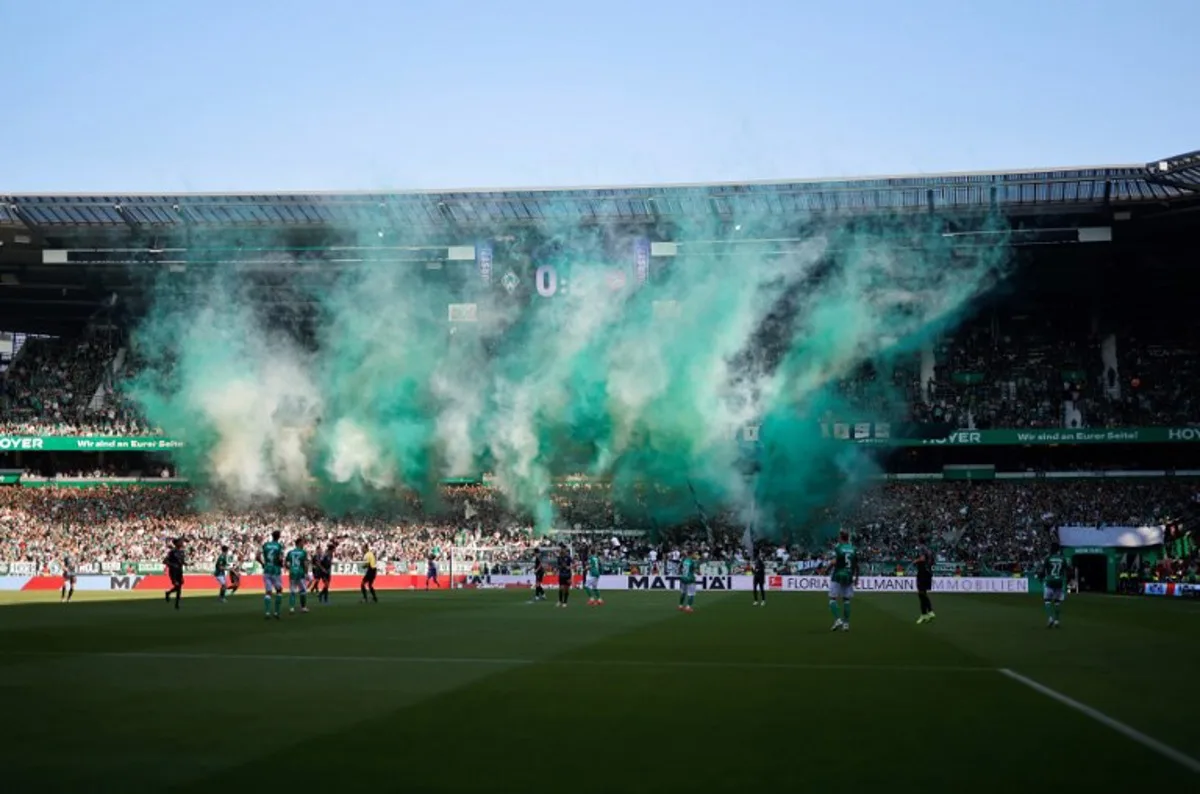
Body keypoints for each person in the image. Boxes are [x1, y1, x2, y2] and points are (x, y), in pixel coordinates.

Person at [828, 530, 857, 632]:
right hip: (849, 575)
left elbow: (835, 561)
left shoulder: (838, 548)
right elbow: (856, 564)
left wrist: (827, 568)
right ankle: (846, 624)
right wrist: (856, 578)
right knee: (846, 600)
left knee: (832, 598)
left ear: (840, 538)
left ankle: (838, 619)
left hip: (838, 575)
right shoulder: (853, 549)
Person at [258, 530, 285, 620]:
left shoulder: (265, 545)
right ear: (279, 537)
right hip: (275, 570)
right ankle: (276, 612)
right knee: (279, 590)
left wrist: (262, 564)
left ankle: (267, 612)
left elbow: (257, 556)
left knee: (268, 592)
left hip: (267, 569)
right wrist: (281, 564)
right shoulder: (279, 546)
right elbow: (280, 559)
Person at [1041, 542, 1069, 628]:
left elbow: (1043, 570)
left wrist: (1040, 577)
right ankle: (1057, 620)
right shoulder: (1062, 558)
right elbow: (1067, 569)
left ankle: (1050, 618)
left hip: (1050, 580)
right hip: (1059, 581)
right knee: (1057, 602)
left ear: (1051, 549)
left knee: (1047, 600)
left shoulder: (1048, 558)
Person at [914, 536, 936, 624]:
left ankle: (930, 611)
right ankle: (924, 614)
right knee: (922, 594)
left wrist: (916, 560)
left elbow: (922, 558)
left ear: (919, 541)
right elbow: (932, 561)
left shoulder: (921, 548)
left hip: (923, 572)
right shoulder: (929, 550)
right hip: (928, 572)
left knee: (921, 593)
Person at [285, 538, 310, 615]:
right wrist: (306, 573)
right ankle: (303, 608)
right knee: (302, 590)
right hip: (300, 573)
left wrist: (290, 568)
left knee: (292, 591)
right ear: (299, 543)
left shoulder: (290, 552)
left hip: (292, 573)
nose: (303, 544)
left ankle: (292, 608)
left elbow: (286, 563)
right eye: (302, 543)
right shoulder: (303, 552)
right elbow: (305, 564)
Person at [164, 538, 186, 611]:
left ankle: (176, 603)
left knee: (179, 588)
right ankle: (169, 594)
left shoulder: (182, 552)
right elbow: (165, 561)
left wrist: (187, 564)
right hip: (173, 572)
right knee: (177, 586)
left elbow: (182, 562)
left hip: (180, 571)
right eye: (180, 542)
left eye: (181, 542)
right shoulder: (172, 552)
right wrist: (172, 565)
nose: (182, 543)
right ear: (176, 544)